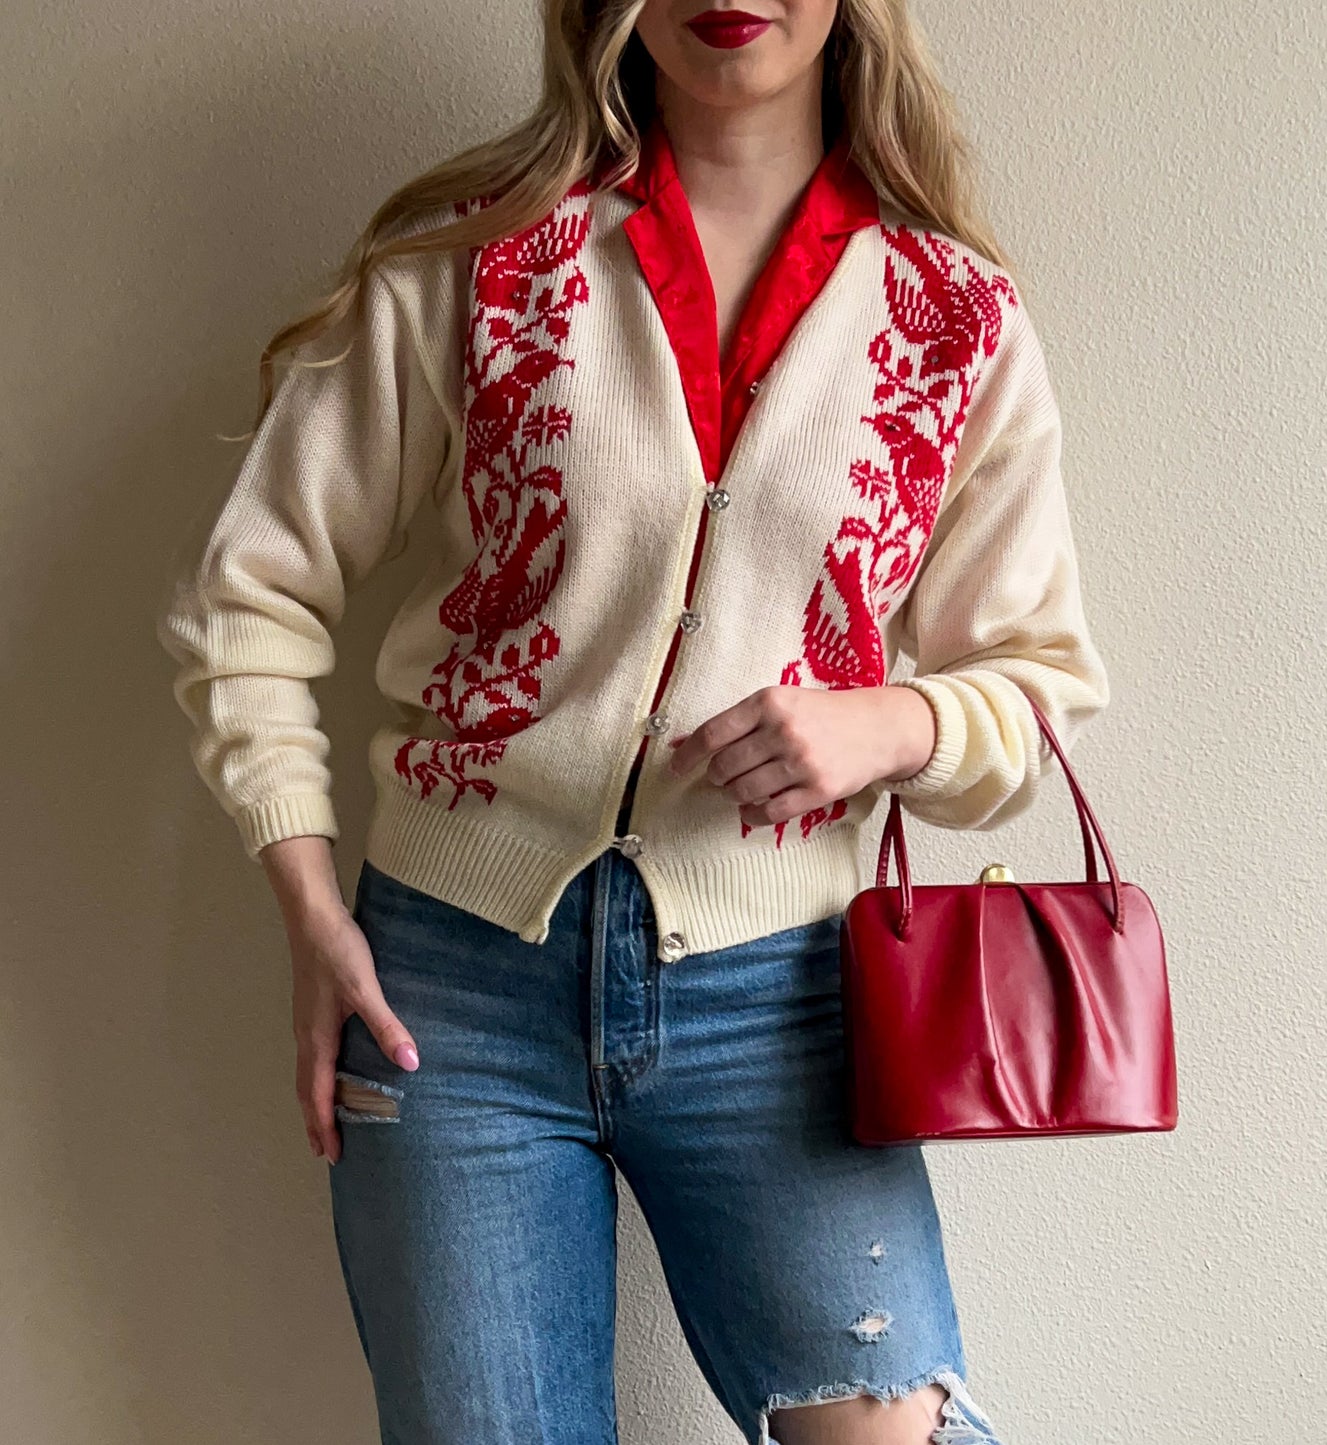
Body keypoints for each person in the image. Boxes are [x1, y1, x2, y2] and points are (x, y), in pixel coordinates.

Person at [157, 2, 1110, 1441]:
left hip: (782, 1000)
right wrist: (306, 903)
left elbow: (1038, 680)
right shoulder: (484, 260)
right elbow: (252, 592)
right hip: (448, 995)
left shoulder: (954, 313)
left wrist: (892, 723)